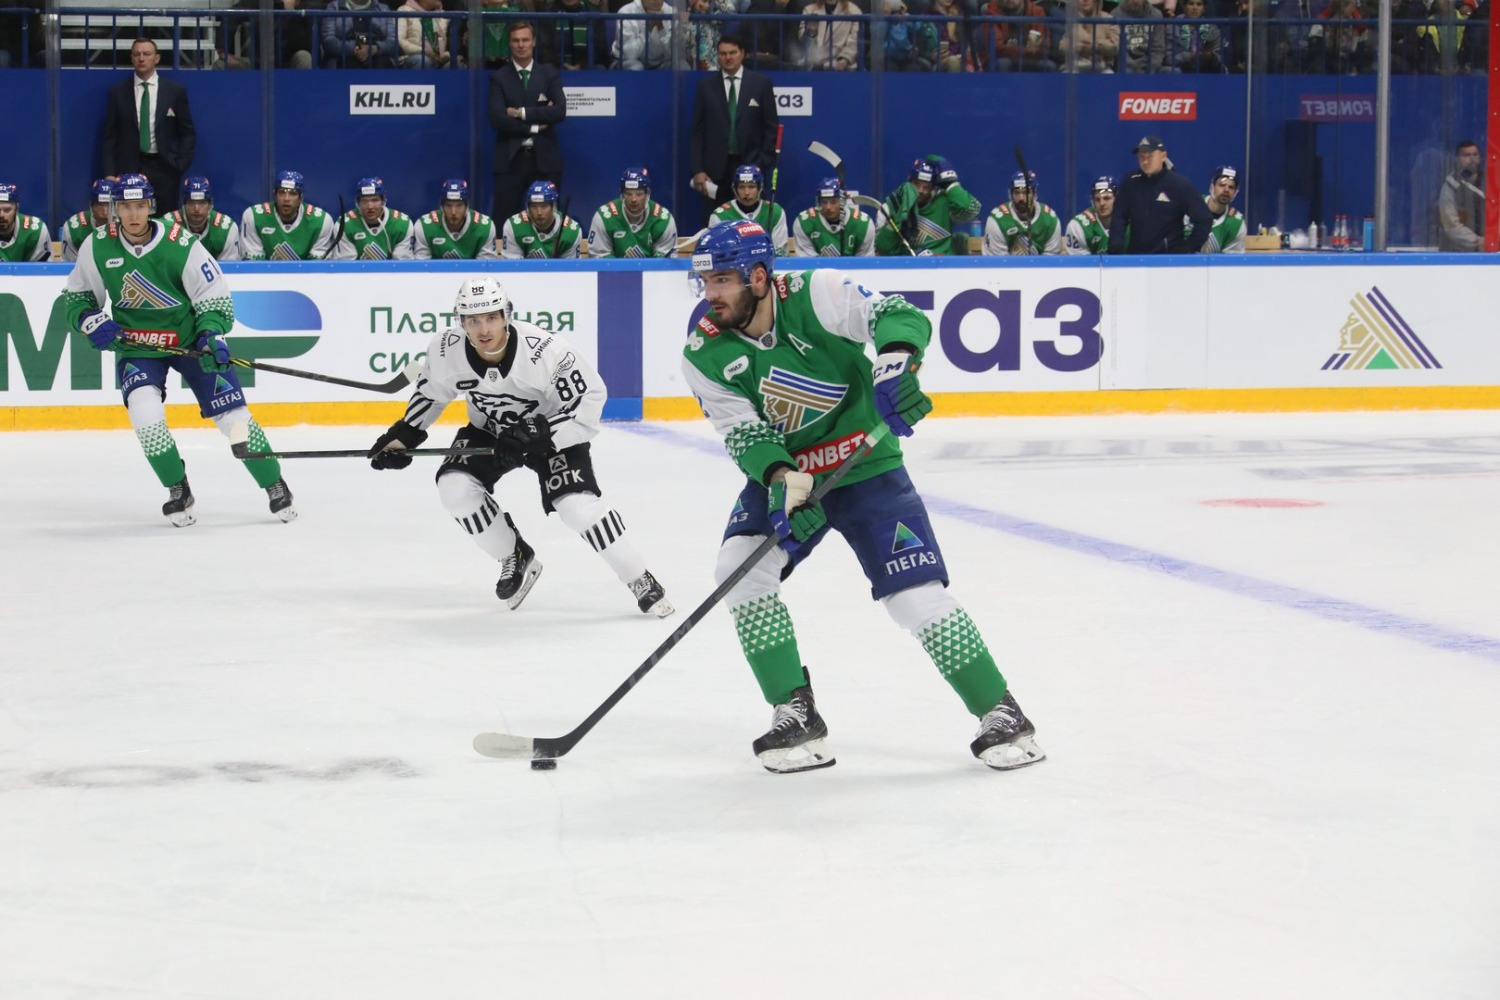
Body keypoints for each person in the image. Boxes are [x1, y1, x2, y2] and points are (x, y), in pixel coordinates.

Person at [680, 222, 1045, 774]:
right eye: (705, 281)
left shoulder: (817, 292)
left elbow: (897, 314)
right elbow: (743, 433)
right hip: (793, 472)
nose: (711, 293)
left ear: (758, 276)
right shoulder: (703, 350)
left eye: (723, 280)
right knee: (738, 568)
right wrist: (782, 478)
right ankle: (794, 711)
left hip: (866, 464)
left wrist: (896, 364)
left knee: (913, 597)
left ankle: (1001, 710)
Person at [367, 276, 675, 617]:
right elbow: (431, 393)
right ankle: (514, 555)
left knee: (577, 508)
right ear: (461, 322)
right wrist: (406, 434)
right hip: (490, 431)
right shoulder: (445, 349)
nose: (484, 329)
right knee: (453, 488)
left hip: (552, 435)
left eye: (491, 317)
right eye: (473, 320)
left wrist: (541, 434)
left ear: (507, 315)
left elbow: (588, 403)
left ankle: (638, 576)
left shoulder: (546, 351)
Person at [61, 173, 294, 527]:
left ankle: (274, 482)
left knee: (234, 420)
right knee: (145, 416)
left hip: (190, 343)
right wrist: (89, 320)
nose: (134, 214)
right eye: (125, 206)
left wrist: (211, 333)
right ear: (114, 209)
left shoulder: (181, 244)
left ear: (151, 207)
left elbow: (214, 297)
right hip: (137, 348)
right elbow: (77, 297)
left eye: (140, 206)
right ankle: (177, 488)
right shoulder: (97, 246)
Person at [690, 34, 780, 228]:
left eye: (732, 53)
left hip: (751, 166)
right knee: (715, 226)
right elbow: (698, 131)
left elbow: (771, 129)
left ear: (742, 54)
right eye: (723, 53)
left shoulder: (761, 84)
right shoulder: (705, 87)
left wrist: (761, 164)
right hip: (715, 172)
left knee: (753, 227)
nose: (728, 57)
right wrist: (698, 170)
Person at [101, 39, 196, 214]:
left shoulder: (175, 91)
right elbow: (110, 135)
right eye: (137, 54)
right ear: (131, 58)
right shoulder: (117, 92)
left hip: (165, 168)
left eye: (147, 54)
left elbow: (187, 131)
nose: (141, 58)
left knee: (166, 220)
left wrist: (179, 164)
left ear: (157, 58)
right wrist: (109, 173)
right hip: (129, 168)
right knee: (131, 218)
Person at [489, 20, 566, 224]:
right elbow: (498, 119)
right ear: (509, 43)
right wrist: (535, 125)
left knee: (548, 222)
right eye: (516, 41)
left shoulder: (549, 74)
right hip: (510, 160)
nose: (521, 45)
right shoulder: (499, 77)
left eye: (525, 40)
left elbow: (559, 111)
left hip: (545, 159)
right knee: (503, 221)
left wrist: (519, 112)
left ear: (534, 42)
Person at [1108, 135, 1212, 253]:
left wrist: (1188, 247)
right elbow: (1119, 216)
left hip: (1168, 258)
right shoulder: (1130, 182)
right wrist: (1115, 243)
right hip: (1137, 257)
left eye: (1150, 157)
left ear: (1163, 156)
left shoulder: (1179, 185)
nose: (1145, 161)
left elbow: (1204, 219)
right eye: (1142, 157)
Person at [877, 154, 981, 256]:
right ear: (908, 182)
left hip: (945, 263)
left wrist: (950, 184)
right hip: (910, 264)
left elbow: (972, 210)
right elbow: (882, 248)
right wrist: (897, 219)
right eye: (916, 184)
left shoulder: (944, 202)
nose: (920, 190)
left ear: (933, 187)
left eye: (926, 186)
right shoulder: (892, 206)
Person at [240, 170, 339, 261]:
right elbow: (253, 266)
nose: (286, 199)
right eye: (281, 192)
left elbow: (317, 268)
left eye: (292, 193)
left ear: (300, 198)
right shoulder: (254, 217)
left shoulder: (321, 221)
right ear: (275, 195)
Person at [587, 166, 679, 258]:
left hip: (651, 268)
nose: (634, 199)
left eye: (639, 194)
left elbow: (665, 263)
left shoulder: (663, 220)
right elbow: (599, 258)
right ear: (622, 194)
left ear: (647, 194)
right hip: (615, 268)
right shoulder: (604, 218)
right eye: (628, 194)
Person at [413, 178, 501, 259]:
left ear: (467, 206)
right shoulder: (425, 226)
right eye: (448, 205)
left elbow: (485, 267)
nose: (453, 212)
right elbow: (422, 267)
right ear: (441, 207)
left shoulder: (485, 227)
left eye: (459, 205)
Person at [160, 176, 243, 262]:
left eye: (202, 203)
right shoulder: (167, 226)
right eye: (191, 202)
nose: (196, 209)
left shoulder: (226, 230)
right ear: (184, 204)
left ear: (210, 205)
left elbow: (229, 268)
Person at [332, 176, 416, 260]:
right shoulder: (344, 225)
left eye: (375, 200)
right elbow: (347, 265)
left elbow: (402, 264)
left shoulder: (402, 224)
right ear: (358, 203)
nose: (370, 206)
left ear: (383, 201)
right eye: (364, 201)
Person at [710, 165, 790, 253]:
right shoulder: (720, 216)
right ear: (735, 189)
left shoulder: (775, 212)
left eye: (751, 187)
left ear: (760, 188)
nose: (746, 192)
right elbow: (716, 252)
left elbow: (780, 252)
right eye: (741, 187)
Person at [983, 170, 1064, 255]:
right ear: (1010, 195)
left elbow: (1050, 260)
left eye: (1026, 192)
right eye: (1017, 193)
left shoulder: (1050, 220)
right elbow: (998, 261)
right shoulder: (997, 221)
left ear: (1035, 194)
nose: (1021, 198)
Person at [791, 176, 876, 257]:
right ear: (819, 202)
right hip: (818, 268)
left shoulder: (863, 224)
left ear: (843, 201)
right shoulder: (804, 222)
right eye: (824, 202)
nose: (828, 207)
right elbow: (807, 263)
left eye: (833, 202)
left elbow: (865, 263)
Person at [501, 179, 584, 258]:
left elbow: (571, 267)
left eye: (544, 206)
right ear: (528, 208)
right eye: (534, 206)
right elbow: (513, 266)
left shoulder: (571, 232)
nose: (539, 212)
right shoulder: (514, 227)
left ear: (554, 207)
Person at [319, 0, 399, 68]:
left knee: (381, 63)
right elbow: (328, 42)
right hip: (343, 60)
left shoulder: (383, 9)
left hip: (379, 59)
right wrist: (354, 49)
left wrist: (375, 48)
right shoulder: (334, 8)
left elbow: (393, 42)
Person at [1438, 139, 1484, 251]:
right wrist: (1478, 241)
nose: (1472, 159)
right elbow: (1451, 225)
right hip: (1458, 253)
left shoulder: (1492, 184)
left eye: (1475, 155)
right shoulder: (1450, 186)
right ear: (1457, 158)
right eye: (1466, 155)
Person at [612, 0, 684, 69]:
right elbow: (629, 54)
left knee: (682, 66)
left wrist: (661, 30)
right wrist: (648, 30)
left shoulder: (672, 13)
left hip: (661, 63)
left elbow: (674, 54)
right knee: (637, 67)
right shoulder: (625, 12)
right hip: (627, 61)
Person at [60, 179, 118, 262]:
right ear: (91, 206)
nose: (105, 212)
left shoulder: (127, 225)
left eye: (109, 205)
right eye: (100, 205)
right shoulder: (74, 230)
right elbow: (69, 266)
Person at [1110, 0, 1172, 73]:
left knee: (1173, 72)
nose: (1135, 1)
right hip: (1126, 66)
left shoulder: (1156, 15)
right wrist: (1137, 71)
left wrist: (1151, 69)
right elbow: (1119, 50)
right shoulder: (1115, 15)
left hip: (1150, 66)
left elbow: (1158, 48)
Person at [798, 0, 862, 70]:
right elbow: (803, 40)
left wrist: (845, 59)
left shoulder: (854, 11)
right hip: (812, 64)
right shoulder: (809, 10)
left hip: (839, 66)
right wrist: (812, 32)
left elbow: (855, 41)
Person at [1063, 175, 1117, 255]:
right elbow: (1080, 262)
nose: (1102, 203)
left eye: (1106, 198)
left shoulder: (1131, 222)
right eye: (1097, 199)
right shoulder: (1078, 226)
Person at [1061, 0, 1118, 72]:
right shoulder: (1071, 19)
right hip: (1075, 66)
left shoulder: (1108, 19)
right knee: (1066, 75)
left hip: (1102, 67)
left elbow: (1116, 46)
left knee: (1109, 74)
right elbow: (1063, 45)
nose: (1085, 0)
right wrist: (1081, 46)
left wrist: (1095, 45)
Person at [1199, 165, 1246, 253]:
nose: (1226, 190)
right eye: (1222, 185)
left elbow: (1231, 259)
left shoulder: (1236, 224)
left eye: (1231, 187)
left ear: (1235, 193)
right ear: (1212, 187)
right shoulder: (1192, 204)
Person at [0, 183, 52, 263]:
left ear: (16, 210)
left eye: (7, 210)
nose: (1, 215)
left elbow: (42, 269)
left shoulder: (35, 231)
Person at [396, 0, 452, 68]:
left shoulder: (444, 15)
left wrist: (446, 55)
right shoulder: (404, 11)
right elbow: (400, 40)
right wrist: (423, 51)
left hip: (438, 60)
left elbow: (447, 43)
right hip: (411, 57)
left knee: (455, 64)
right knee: (423, 61)